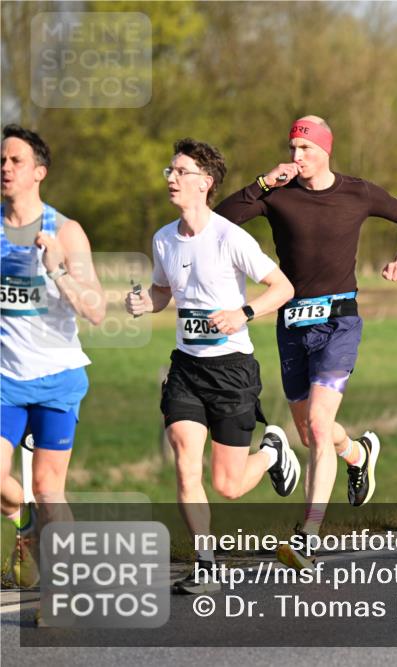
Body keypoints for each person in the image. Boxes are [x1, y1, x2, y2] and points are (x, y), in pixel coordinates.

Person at [215, 115, 397, 569]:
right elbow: (220, 221)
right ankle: (358, 453)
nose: (297, 157)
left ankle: (308, 536)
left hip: (339, 320)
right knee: (312, 434)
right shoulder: (277, 194)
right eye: (293, 148)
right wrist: (262, 183)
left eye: (306, 148)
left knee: (317, 420)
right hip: (291, 322)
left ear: (325, 149)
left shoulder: (358, 192)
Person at [126, 138, 298, 594]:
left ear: (205, 183)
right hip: (186, 367)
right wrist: (145, 302)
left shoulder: (229, 237)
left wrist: (243, 313)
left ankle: (272, 452)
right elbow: (163, 291)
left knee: (228, 485)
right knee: (186, 463)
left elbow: (283, 287)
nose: (171, 178)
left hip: (231, 370)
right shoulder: (164, 238)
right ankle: (206, 565)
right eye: (169, 170)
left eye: (181, 171)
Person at [1, 124, 106, 587]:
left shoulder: (65, 231)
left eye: (16, 161)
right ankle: (24, 523)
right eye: (1, 161)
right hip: (5, 379)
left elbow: (96, 310)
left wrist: (58, 268)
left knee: (48, 489)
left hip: (56, 378)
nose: (5, 168)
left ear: (39, 172)